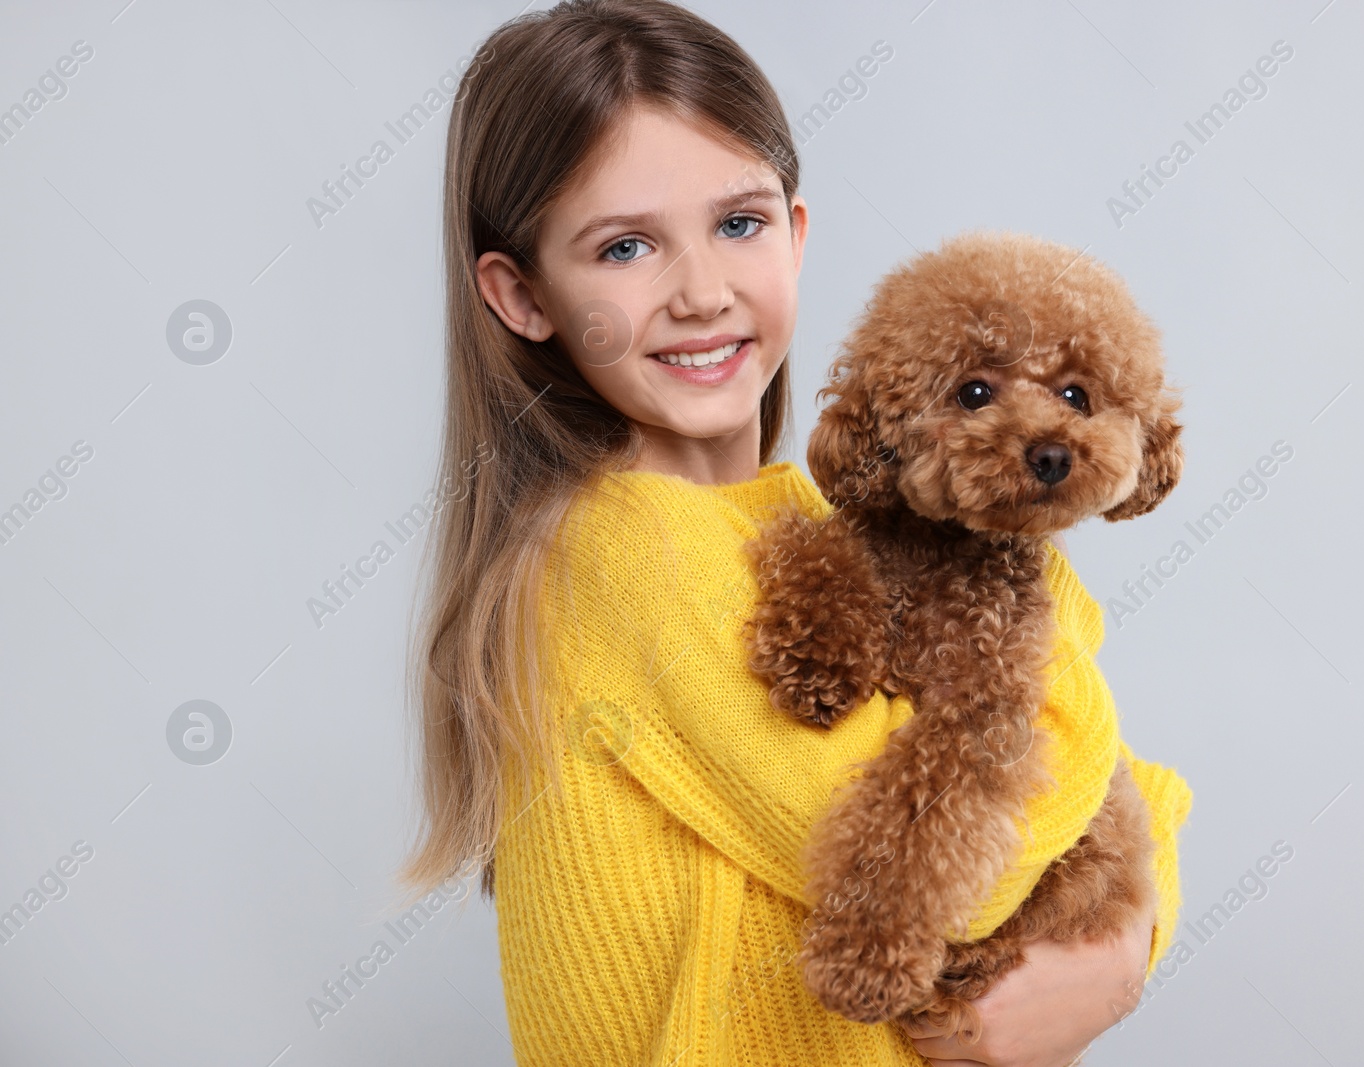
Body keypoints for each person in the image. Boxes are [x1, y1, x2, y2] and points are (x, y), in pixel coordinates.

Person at [395, 3, 1193, 1064]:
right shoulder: (614, 550)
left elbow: (1132, 793)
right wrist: (1040, 621)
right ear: (523, 295)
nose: (702, 293)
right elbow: (987, 859)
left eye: (737, 223)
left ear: (796, 232)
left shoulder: (828, 524)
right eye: (626, 246)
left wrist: (1129, 941)